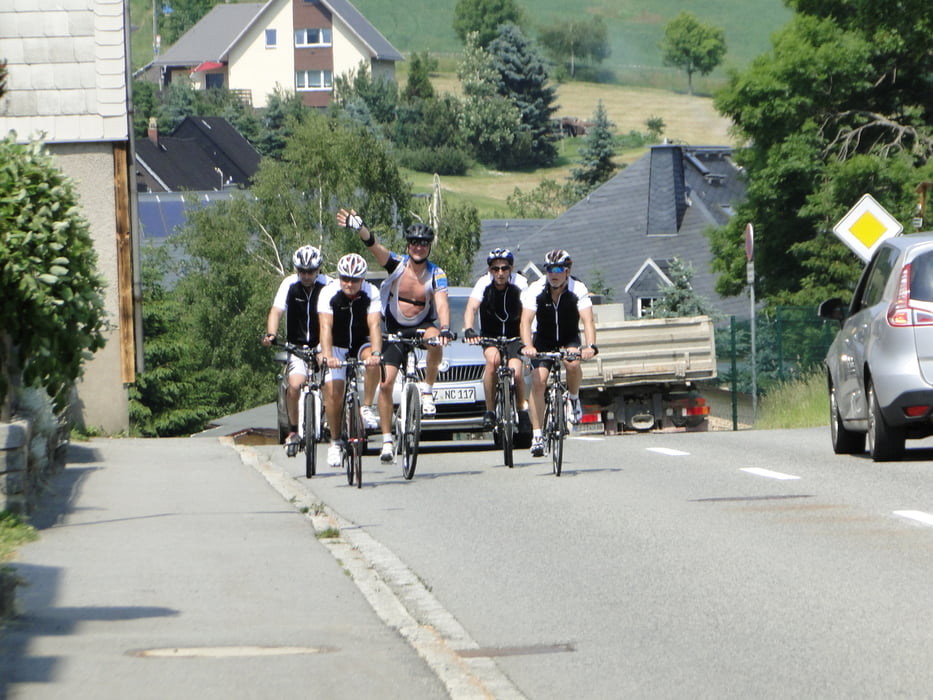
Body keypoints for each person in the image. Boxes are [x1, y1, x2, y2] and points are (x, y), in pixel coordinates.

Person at [336, 208, 454, 463]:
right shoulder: (397, 264)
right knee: (386, 383)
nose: (418, 248)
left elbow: (442, 303)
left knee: (436, 341)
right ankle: (387, 440)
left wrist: (445, 328)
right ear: (408, 246)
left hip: (422, 324)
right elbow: (373, 246)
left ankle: (427, 390)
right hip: (394, 329)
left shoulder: (437, 273)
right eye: (414, 243)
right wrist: (359, 227)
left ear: (429, 247)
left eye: (423, 244)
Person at [520, 249, 598, 458]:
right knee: (538, 381)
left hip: (568, 336)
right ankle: (537, 435)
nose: (553, 274)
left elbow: (588, 321)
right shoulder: (536, 289)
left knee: (572, 364)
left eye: (558, 269)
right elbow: (525, 321)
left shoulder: (578, 288)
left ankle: (573, 398)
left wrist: (590, 345)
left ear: (567, 270)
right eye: (549, 269)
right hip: (543, 339)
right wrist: (528, 346)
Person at [261, 245, 330, 456]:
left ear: (318, 269)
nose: (307, 276)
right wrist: (271, 334)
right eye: (302, 271)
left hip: (322, 345)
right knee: (294, 386)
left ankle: (330, 422)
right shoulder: (289, 284)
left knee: (331, 384)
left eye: (311, 271)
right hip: (297, 346)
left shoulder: (328, 285)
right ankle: (293, 431)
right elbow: (276, 311)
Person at [317, 253, 383, 467]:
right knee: (334, 393)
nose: (349, 284)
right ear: (339, 277)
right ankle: (335, 442)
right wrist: (327, 355)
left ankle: (366, 406)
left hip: (360, 342)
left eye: (355, 280)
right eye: (345, 278)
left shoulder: (371, 292)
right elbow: (325, 326)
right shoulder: (329, 292)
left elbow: (374, 326)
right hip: (336, 343)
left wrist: (376, 354)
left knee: (374, 363)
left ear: (362, 279)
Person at [463, 247, 530, 432]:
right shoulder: (483, 283)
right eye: (495, 269)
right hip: (491, 336)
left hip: (515, 336)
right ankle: (490, 410)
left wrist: (531, 336)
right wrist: (469, 329)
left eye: (504, 268)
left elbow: (529, 311)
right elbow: (471, 308)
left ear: (511, 268)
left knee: (516, 373)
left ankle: (522, 410)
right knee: (493, 361)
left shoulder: (521, 283)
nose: (500, 273)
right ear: (490, 270)